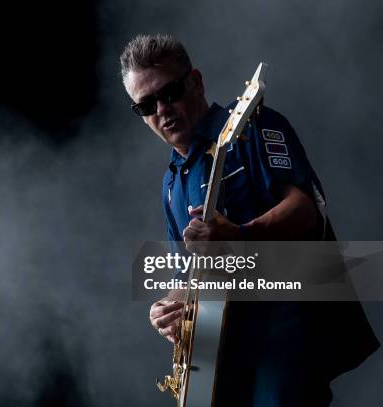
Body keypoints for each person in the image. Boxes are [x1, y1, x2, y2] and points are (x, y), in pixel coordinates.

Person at [120, 34, 379, 406]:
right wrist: (166, 308)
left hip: (285, 338)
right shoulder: (172, 183)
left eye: (170, 92)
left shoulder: (251, 126)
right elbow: (189, 272)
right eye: (146, 105)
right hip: (221, 361)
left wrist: (240, 234)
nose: (161, 109)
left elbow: (305, 208)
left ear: (196, 82)